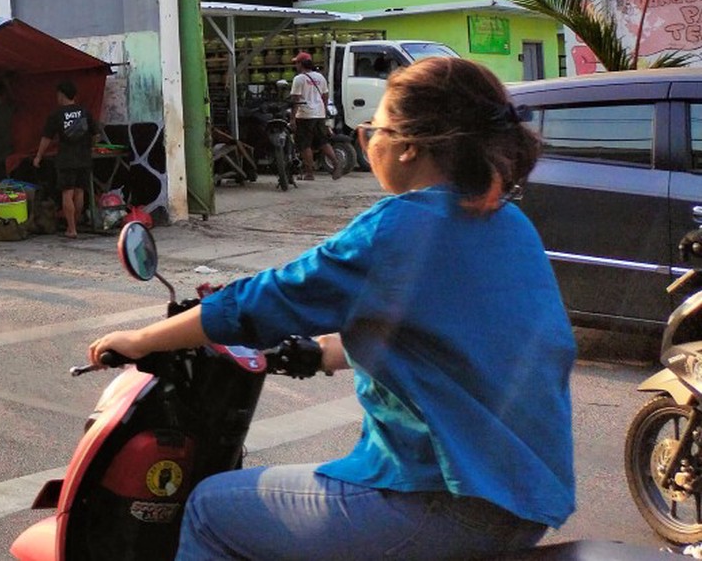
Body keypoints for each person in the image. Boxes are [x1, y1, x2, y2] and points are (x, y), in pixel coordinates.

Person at [88, 57, 573, 560]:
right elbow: (451, 335)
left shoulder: (399, 227)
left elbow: (261, 302)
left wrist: (138, 339)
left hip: (440, 500)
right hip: (522, 500)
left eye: (372, 130)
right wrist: (322, 353)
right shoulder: (506, 221)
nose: (368, 142)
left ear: (407, 146)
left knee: (210, 508)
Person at [33, 80, 94, 240]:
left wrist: (38, 156)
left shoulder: (57, 115)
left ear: (61, 95)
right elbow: (96, 134)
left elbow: (46, 138)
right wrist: (89, 147)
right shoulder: (85, 112)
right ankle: (76, 224)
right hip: (83, 158)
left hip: (66, 158)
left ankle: (71, 229)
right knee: (80, 191)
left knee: (67, 192)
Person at [291, 51, 343, 181]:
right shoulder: (320, 77)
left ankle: (309, 173)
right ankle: (336, 164)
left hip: (304, 115)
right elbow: (325, 96)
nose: (296, 65)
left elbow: (295, 100)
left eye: (297, 63)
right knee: (323, 142)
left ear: (301, 64)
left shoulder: (299, 79)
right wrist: (323, 111)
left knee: (305, 145)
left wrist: (292, 119)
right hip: (319, 114)